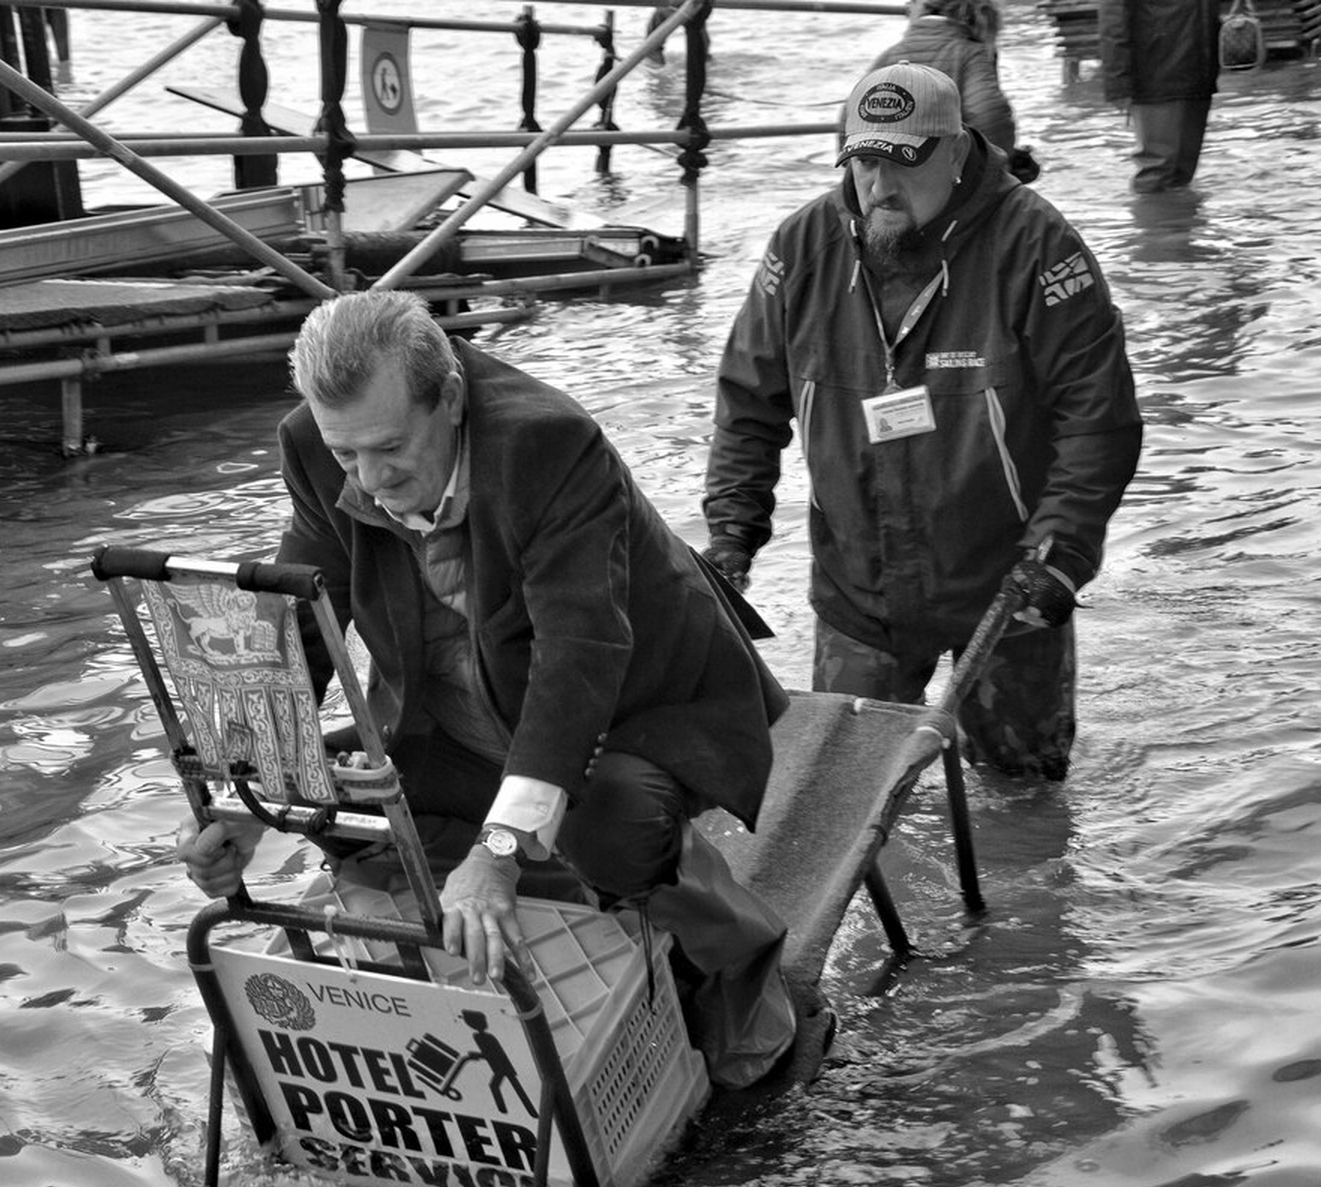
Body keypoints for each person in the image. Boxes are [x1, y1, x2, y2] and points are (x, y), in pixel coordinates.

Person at [178, 290, 799, 1090]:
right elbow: (297, 619)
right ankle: (458, 948)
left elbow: (580, 653)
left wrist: (501, 847)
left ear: (453, 398)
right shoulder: (309, 442)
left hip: (638, 700)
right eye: (347, 456)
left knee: (612, 821)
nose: (369, 480)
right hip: (463, 702)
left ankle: (737, 971)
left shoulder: (549, 441)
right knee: (342, 797)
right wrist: (246, 799)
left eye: (392, 447)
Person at [701, 63, 1142, 781]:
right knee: (839, 793)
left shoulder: (1038, 246)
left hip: (1005, 589)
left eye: (902, 165)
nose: (879, 187)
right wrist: (731, 534)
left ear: (958, 149)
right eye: (863, 162)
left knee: (1026, 790)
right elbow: (748, 399)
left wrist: (1059, 554)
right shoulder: (801, 246)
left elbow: (1100, 420)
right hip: (856, 589)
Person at [869, 0, 1037, 182]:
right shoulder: (970, 53)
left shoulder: (887, 57)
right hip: (947, 181)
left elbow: (850, 120)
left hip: (887, 180)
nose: (908, 6)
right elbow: (990, 118)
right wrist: (1000, 168)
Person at [1097, 0, 1219, 193]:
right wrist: (1118, 83)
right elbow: (1112, 19)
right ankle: (1153, 220)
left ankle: (1176, 221)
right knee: (1157, 172)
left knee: (1180, 174)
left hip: (1198, 74)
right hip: (1156, 76)